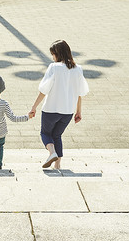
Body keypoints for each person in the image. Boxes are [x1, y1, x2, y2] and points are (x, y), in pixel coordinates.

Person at [29, 40, 89, 169]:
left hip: (51, 109)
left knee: (45, 133)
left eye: (53, 54)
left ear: (57, 54)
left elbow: (44, 90)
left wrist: (34, 107)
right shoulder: (78, 69)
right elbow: (80, 93)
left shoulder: (53, 67)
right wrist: (79, 111)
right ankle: (57, 165)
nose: (52, 57)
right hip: (67, 112)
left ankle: (52, 153)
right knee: (57, 135)